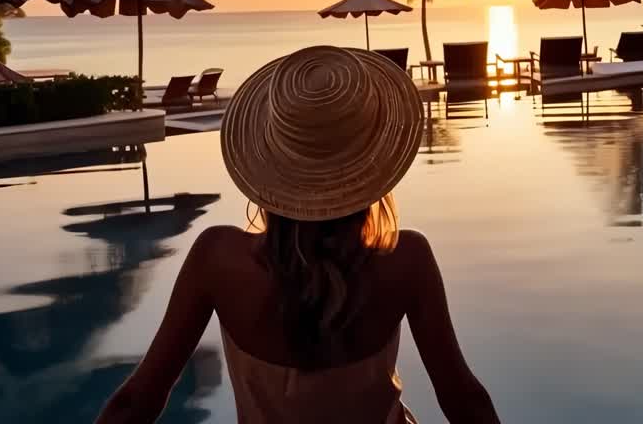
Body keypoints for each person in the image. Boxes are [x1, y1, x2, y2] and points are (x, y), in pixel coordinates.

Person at [96, 46, 500, 423]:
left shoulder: (217, 259)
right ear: (372, 167)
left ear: (268, 162)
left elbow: (138, 400)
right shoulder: (407, 259)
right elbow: (463, 398)